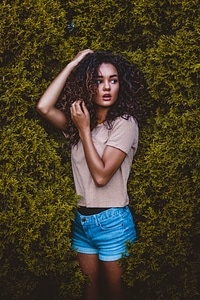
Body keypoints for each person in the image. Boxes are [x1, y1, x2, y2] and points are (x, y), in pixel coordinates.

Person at [37, 49, 144, 300]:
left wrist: (83, 130)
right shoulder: (82, 122)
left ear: (120, 85)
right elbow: (43, 106)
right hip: (82, 222)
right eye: (98, 80)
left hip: (113, 224)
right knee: (89, 294)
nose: (106, 87)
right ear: (87, 85)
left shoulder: (124, 123)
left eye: (113, 80)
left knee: (118, 295)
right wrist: (72, 64)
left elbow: (101, 176)